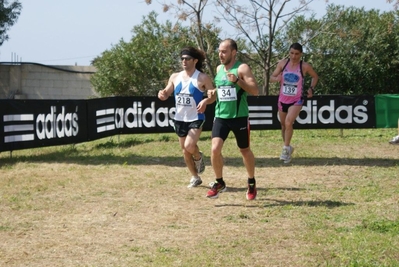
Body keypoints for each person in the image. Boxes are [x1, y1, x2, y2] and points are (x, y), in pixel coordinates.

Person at [206, 38, 259, 200]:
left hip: (239, 117)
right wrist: (210, 95)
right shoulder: (219, 68)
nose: (220, 55)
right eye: (219, 51)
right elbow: (221, 90)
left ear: (233, 52)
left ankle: (251, 182)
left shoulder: (242, 68)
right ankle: (219, 182)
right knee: (215, 149)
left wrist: (237, 80)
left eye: (224, 52)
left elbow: (255, 91)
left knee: (244, 150)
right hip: (221, 116)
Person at [158, 46, 214, 188]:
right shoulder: (175, 77)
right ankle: (195, 177)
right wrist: (162, 94)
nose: (184, 61)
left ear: (195, 61)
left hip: (196, 117)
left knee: (189, 146)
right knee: (184, 149)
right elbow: (167, 92)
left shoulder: (202, 77)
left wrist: (206, 101)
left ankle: (198, 157)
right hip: (179, 118)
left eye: (187, 59)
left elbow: (213, 95)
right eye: (182, 58)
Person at [270, 42, 318, 163]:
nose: (294, 56)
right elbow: (271, 77)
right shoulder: (283, 63)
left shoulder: (304, 66)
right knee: (283, 125)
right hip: (282, 100)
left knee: (288, 122)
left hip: (297, 100)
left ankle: (285, 150)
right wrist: (277, 79)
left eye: (297, 54)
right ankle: (288, 146)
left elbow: (315, 76)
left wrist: (311, 88)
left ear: (301, 54)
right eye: (291, 53)